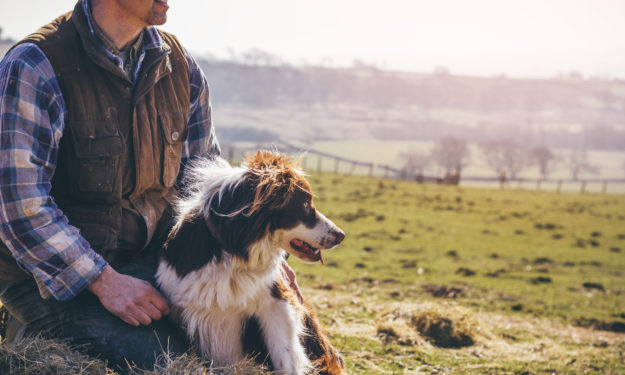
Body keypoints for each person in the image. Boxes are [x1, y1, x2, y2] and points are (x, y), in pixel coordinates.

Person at [0, 0, 303, 371]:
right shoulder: (36, 65)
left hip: (151, 264)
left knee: (266, 335)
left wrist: (255, 255)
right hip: (53, 284)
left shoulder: (182, 68)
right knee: (172, 364)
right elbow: (19, 206)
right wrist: (105, 282)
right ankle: (25, 332)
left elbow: (203, 184)